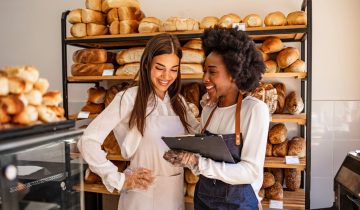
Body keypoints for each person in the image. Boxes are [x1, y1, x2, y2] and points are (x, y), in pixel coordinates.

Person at [77, 33, 200, 210]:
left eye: (174, 69)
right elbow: (87, 141)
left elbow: (199, 138)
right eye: (160, 67)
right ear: (147, 64)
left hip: (173, 195)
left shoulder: (178, 102)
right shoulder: (128, 98)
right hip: (141, 196)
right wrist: (119, 179)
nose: (167, 76)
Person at [164, 26, 270, 210]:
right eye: (204, 71)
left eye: (212, 72)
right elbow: (206, 168)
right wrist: (188, 160)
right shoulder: (208, 110)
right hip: (204, 200)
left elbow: (250, 171)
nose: (204, 78)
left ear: (233, 74)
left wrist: (197, 161)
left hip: (239, 204)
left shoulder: (254, 110)